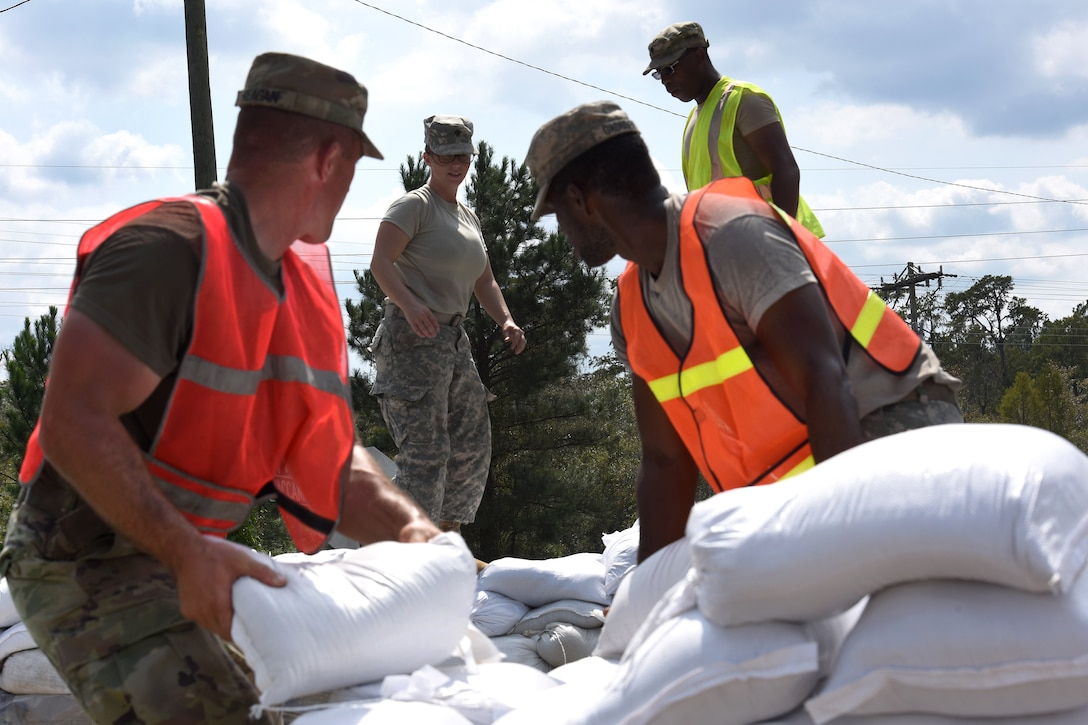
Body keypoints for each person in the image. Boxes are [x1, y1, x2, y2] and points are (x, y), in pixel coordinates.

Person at [0, 52, 443, 724]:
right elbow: (73, 419)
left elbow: (330, 462)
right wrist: (185, 551)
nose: (352, 183)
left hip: (182, 555)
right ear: (329, 158)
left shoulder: (296, 287)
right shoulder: (166, 249)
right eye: (355, 164)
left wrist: (413, 531)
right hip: (85, 556)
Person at [524, 101, 962, 562]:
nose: (564, 233)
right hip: (799, 476)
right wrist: (647, 595)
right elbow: (665, 460)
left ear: (579, 200)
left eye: (557, 215)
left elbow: (824, 380)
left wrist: (838, 550)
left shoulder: (732, 235)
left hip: (891, 423)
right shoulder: (630, 308)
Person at [368, 115, 526, 533]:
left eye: (462, 155)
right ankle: (410, 555)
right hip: (411, 338)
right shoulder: (414, 206)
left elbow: (484, 278)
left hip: (452, 343)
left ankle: (445, 546)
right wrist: (410, 303)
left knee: (471, 446)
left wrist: (507, 321)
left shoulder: (467, 217)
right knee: (426, 452)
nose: (455, 163)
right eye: (444, 156)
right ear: (428, 157)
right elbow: (381, 263)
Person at [643, 20, 825, 238]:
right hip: (727, 252)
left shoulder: (744, 99)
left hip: (766, 248)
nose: (665, 80)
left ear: (699, 56)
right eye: (659, 73)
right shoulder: (693, 119)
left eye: (670, 68)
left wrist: (780, 243)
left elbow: (786, 170)